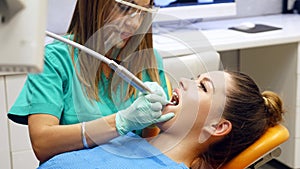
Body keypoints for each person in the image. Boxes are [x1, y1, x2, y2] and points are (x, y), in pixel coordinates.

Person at [7, 0, 175, 163]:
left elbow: (157, 146)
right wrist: (120, 122)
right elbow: (42, 144)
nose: (135, 24)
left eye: (143, 12)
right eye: (124, 8)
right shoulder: (54, 60)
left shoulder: (148, 60)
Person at [37, 70, 285, 169]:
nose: (183, 82)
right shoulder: (128, 138)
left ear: (217, 126)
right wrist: (121, 121)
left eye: (202, 87)